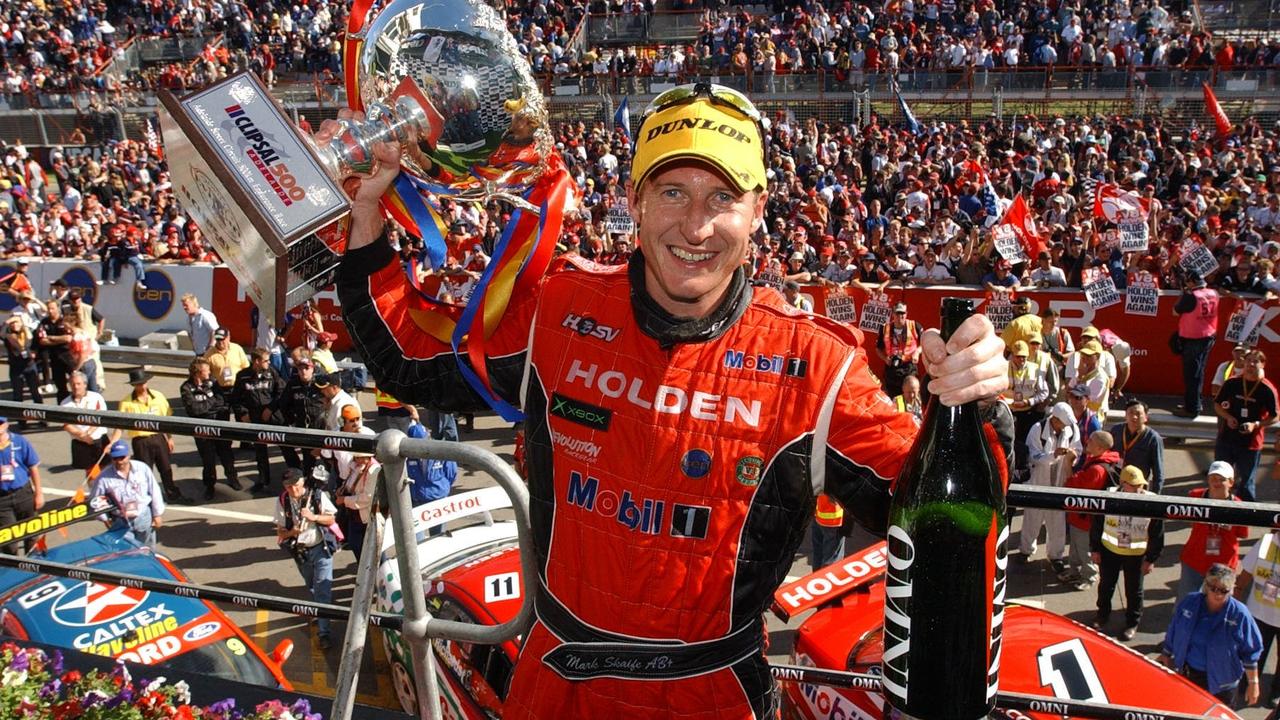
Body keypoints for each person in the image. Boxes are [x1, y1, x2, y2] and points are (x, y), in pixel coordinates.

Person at [323, 81, 1007, 718]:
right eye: (673, 192)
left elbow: (944, 518)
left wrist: (971, 402)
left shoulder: (816, 365)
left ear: (758, 210)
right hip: (554, 682)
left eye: (722, 198)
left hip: (711, 695)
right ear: (634, 201)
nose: (696, 226)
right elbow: (410, 361)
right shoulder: (557, 310)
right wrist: (364, 211)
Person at [1160, 563, 1263, 706]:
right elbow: (1175, 629)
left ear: (1231, 590)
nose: (1218, 594)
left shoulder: (1240, 614)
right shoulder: (1190, 602)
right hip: (1189, 675)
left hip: (1222, 684)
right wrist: (1166, 653)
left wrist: (1253, 683)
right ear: (1206, 585)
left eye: (1223, 590)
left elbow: (1251, 650)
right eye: (1213, 588)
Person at [1091, 465, 1164, 641]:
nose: (1139, 488)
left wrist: (1151, 559)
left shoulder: (1152, 502)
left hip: (1136, 554)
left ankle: (1132, 622)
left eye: (1140, 484)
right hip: (1110, 551)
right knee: (1106, 586)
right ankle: (1102, 615)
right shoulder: (1108, 497)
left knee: (1134, 590)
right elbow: (1097, 525)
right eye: (1134, 485)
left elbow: (1157, 533)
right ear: (1123, 483)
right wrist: (1094, 549)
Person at [274, 467, 338, 650]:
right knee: (312, 585)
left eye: (295, 485)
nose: (292, 490)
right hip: (300, 552)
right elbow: (280, 532)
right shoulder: (282, 500)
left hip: (320, 548)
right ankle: (320, 612)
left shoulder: (317, 495)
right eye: (287, 486)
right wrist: (293, 531)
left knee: (322, 590)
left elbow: (331, 519)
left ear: (302, 481)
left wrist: (313, 516)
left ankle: (324, 632)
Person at [1021, 401, 1081, 573]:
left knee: (1057, 522)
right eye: (1061, 423)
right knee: (1032, 517)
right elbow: (1032, 456)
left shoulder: (1071, 430)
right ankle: (1026, 550)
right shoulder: (1037, 429)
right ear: (1054, 419)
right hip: (1039, 480)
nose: (1064, 427)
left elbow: (1078, 448)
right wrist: (1052, 455)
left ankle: (1056, 555)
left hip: (1059, 481)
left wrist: (1073, 456)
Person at [1179, 461, 1251, 600]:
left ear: (1231, 482)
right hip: (1194, 561)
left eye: (1221, 479)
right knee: (1185, 603)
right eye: (1213, 479)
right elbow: (1189, 521)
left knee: (1219, 605)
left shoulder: (1240, 507)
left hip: (1224, 566)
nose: (1216, 483)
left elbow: (1242, 533)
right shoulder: (1195, 497)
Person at [1213, 349, 1278, 503]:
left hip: (1250, 444)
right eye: (1248, 360)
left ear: (1263, 364)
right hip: (1226, 439)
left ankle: (1245, 519)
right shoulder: (1232, 382)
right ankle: (1218, 511)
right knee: (1220, 478)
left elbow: (1275, 416)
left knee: (1246, 483)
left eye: (1255, 361)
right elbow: (1217, 405)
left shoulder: (1266, 389)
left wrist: (1256, 425)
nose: (1250, 364)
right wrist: (1228, 417)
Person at [1062, 430, 1119, 590]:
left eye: (1091, 441)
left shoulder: (1097, 470)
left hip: (1085, 518)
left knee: (1084, 548)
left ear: (1100, 448)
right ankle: (1074, 571)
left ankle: (1089, 576)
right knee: (1074, 546)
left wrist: (1068, 464)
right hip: (1078, 516)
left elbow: (1072, 486)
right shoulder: (1098, 460)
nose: (1087, 442)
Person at [118, 368, 183, 503]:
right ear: (133, 385)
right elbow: (120, 426)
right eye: (137, 384)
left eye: (142, 383)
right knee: (144, 472)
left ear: (147, 382)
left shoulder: (158, 396)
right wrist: (113, 442)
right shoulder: (126, 403)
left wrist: (169, 438)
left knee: (166, 468)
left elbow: (166, 419)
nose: (140, 386)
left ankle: (172, 494)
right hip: (140, 440)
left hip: (158, 437)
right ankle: (147, 499)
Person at [180, 357, 240, 501]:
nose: (209, 373)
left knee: (226, 454)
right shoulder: (186, 387)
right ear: (198, 373)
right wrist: (211, 404)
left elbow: (221, 402)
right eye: (206, 371)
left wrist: (208, 405)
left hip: (219, 424)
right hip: (202, 429)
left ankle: (232, 478)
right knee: (208, 459)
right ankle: (209, 486)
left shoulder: (213, 382)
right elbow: (194, 410)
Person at [90, 440, 165, 549]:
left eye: (122, 457)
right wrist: (105, 520)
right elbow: (95, 501)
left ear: (129, 455)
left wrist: (157, 514)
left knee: (148, 550)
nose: (119, 461)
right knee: (127, 551)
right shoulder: (103, 478)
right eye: (115, 458)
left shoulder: (142, 468)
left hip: (143, 517)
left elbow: (154, 490)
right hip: (120, 521)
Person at [231, 347, 287, 493]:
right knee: (260, 451)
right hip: (255, 418)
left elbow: (281, 391)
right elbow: (236, 399)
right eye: (266, 360)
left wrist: (271, 408)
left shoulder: (271, 372)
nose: (269, 363)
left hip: (273, 415)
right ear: (256, 361)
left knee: (286, 446)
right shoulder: (243, 376)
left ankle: (294, 475)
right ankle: (263, 480)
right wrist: (243, 414)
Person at [1238, 528, 1280, 708]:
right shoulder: (1266, 542)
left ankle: (1276, 691)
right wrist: (1237, 595)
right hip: (1258, 612)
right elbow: (1247, 571)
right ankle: (1247, 684)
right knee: (1254, 651)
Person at [1174, 272, 1220, 418]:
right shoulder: (1213, 293)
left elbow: (1175, 311)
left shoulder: (1191, 296)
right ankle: (1193, 403)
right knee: (1198, 372)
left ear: (1192, 281)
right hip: (1208, 335)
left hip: (1193, 338)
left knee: (1192, 374)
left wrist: (1184, 294)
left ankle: (1192, 408)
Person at [274, 356, 326, 477]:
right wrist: (291, 420)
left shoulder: (320, 383)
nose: (303, 371)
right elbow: (283, 404)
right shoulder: (293, 384)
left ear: (312, 369)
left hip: (321, 425)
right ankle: (305, 479)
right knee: (308, 457)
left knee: (327, 455)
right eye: (300, 368)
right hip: (303, 425)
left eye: (306, 368)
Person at [1006, 339, 1049, 480]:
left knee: (1025, 443)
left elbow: (1044, 392)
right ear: (1012, 355)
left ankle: (1023, 472)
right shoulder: (1003, 367)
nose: (1021, 359)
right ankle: (1008, 469)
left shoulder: (1035, 369)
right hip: (1008, 410)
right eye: (1018, 356)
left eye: (1024, 356)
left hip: (1028, 412)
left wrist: (1029, 401)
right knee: (1008, 441)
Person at [0, 417, 43, 555]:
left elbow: (33, 467)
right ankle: (12, 572)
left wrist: (39, 494)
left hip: (23, 493)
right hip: (2, 500)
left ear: (6, 424)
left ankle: (34, 566)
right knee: (8, 540)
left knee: (32, 533)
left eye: (0, 423)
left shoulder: (19, 441)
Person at [1110, 398, 1166, 493]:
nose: (1134, 417)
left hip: (1137, 488)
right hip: (1115, 483)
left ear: (1146, 417)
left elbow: (1158, 471)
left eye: (1138, 414)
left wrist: (1156, 496)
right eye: (1131, 413)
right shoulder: (1116, 430)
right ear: (1125, 415)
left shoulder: (1153, 438)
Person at [60, 371, 109, 471]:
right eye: (73, 384)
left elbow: (101, 417)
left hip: (99, 439)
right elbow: (66, 425)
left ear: (85, 384)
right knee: (90, 472)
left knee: (106, 469)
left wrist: (89, 433)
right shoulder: (65, 403)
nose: (76, 387)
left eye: (78, 384)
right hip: (80, 442)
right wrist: (82, 435)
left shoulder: (96, 398)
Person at [876, 302, 923, 397]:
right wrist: (885, 359)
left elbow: (925, 343)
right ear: (893, 313)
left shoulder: (914, 325)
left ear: (906, 313)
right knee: (893, 399)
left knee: (911, 396)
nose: (900, 316)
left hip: (909, 367)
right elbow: (878, 348)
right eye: (897, 313)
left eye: (903, 313)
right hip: (892, 368)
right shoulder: (884, 328)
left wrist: (917, 352)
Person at [36, 298, 74, 402]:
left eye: (52, 308)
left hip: (69, 357)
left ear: (58, 308)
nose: (50, 311)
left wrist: (51, 338)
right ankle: (62, 408)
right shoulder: (44, 322)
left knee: (76, 381)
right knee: (60, 386)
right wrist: (60, 339)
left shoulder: (66, 320)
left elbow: (68, 338)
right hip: (55, 358)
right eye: (48, 308)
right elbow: (42, 341)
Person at [3, 312, 42, 412]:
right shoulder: (8, 336)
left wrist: (34, 353)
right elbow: (1, 332)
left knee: (35, 392)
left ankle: (42, 417)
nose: (15, 325)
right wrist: (7, 321)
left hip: (29, 366)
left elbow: (36, 343)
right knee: (17, 395)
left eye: (17, 322)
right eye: (12, 323)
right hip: (16, 368)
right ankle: (21, 421)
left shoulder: (28, 333)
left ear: (22, 323)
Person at [204, 328, 250, 394]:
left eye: (222, 339)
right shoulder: (208, 354)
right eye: (218, 339)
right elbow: (205, 373)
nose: (220, 342)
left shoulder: (237, 349)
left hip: (237, 388)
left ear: (228, 338)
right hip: (219, 389)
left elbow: (246, 367)